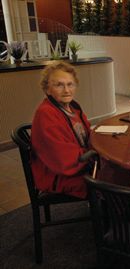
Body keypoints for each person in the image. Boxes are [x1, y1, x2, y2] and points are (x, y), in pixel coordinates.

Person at [31, 61, 91, 199]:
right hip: (57, 176)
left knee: (117, 169)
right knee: (112, 179)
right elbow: (64, 161)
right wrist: (95, 154)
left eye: (70, 84)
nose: (66, 90)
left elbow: (87, 137)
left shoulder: (73, 107)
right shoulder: (46, 114)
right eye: (59, 85)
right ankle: (117, 215)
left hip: (78, 165)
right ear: (47, 89)